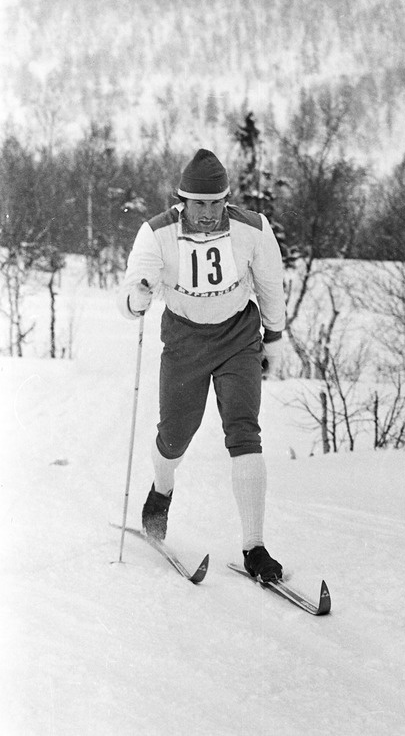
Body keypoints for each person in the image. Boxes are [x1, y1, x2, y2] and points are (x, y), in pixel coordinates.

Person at [118, 148, 285, 582]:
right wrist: (136, 298)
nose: (208, 213)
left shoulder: (253, 228)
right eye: (199, 204)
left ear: (226, 200)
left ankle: (255, 547)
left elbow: (270, 285)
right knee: (174, 436)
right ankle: (162, 487)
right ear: (182, 200)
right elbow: (132, 289)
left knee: (244, 429)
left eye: (216, 203)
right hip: (185, 340)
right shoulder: (157, 233)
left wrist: (275, 337)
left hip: (237, 337)